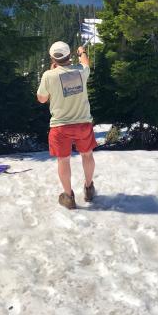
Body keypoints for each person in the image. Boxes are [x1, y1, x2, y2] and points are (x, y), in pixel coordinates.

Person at [37, 41, 97, 209]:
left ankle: (68, 197)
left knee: (63, 161)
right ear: (69, 56)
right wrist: (82, 52)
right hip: (83, 123)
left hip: (60, 126)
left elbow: (42, 99)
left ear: (52, 58)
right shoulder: (81, 71)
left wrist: (52, 71)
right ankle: (89, 188)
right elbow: (85, 63)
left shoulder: (49, 75)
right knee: (87, 155)